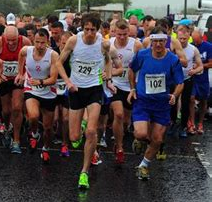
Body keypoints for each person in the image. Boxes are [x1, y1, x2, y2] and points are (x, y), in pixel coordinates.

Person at [56, 13, 114, 189]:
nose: (89, 33)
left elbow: (109, 62)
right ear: (83, 28)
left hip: (95, 90)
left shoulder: (103, 44)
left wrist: (107, 76)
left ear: (98, 30)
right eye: (86, 29)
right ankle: (80, 129)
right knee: (74, 137)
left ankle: (84, 172)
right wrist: (68, 82)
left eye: (93, 30)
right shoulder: (74, 41)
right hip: (76, 90)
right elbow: (59, 63)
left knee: (91, 131)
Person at [128, 27, 184, 180]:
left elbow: (180, 82)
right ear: (151, 41)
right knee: (141, 133)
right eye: (155, 41)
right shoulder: (142, 55)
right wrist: (132, 88)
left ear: (166, 42)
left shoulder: (173, 59)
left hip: (161, 104)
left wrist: (174, 95)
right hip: (143, 101)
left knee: (158, 139)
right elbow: (131, 70)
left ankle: (143, 166)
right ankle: (138, 139)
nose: (158, 44)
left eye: (161, 41)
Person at [16, 28, 59, 162]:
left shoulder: (53, 55)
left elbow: (53, 79)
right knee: (33, 116)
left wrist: (40, 81)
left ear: (47, 42)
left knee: (48, 128)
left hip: (48, 92)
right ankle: (34, 134)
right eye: (37, 42)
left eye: (42, 43)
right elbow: (21, 56)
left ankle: (46, 148)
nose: (39, 46)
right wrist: (20, 72)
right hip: (31, 88)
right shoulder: (26, 50)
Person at [0, 26, 31, 154]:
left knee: (17, 108)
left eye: (14, 40)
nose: (11, 43)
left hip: (18, 79)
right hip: (4, 79)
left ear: (18, 37)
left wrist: (24, 74)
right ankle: (7, 128)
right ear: (4, 37)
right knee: (6, 111)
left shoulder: (25, 42)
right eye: (8, 40)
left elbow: (34, 59)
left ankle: (16, 140)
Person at [109, 20, 143, 163]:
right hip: (115, 85)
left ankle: (120, 136)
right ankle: (120, 147)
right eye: (119, 34)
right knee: (118, 114)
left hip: (130, 86)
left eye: (125, 34)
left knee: (125, 121)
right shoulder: (109, 44)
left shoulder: (136, 45)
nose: (122, 37)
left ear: (129, 32)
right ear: (114, 32)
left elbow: (142, 65)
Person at [176, 27, 203, 137]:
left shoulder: (193, 49)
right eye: (180, 38)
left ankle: (183, 127)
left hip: (187, 78)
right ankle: (172, 124)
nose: (182, 41)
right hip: (175, 79)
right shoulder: (173, 47)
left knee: (186, 103)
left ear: (189, 37)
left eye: (184, 38)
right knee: (173, 102)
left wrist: (194, 71)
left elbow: (200, 66)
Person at [189, 30, 212, 135]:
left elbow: (211, 63)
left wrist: (200, 66)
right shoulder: (191, 46)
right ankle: (192, 123)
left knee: (203, 100)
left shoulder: (208, 47)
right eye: (193, 39)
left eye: (196, 40)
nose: (195, 42)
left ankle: (200, 123)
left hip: (203, 78)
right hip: (193, 78)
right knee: (191, 98)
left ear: (201, 37)